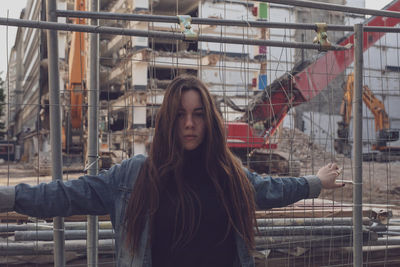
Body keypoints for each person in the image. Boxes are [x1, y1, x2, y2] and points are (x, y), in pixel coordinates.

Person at [0, 75, 343, 267]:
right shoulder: (134, 177)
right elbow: (68, 195)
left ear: (209, 120)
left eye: (197, 114)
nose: (190, 124)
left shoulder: (230, 175)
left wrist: (316, 182)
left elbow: (273, 189)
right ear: (167, 120)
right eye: (180, 115)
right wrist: (11, 196)